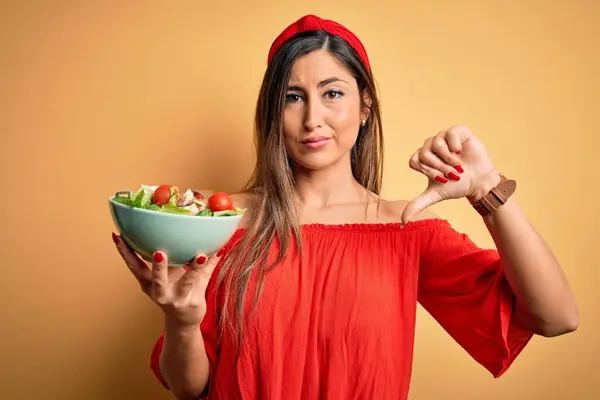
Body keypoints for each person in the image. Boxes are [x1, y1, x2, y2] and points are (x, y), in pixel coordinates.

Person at [112, 14, 578, 400]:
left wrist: (486, 188)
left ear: (365, 106)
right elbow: (189, 388)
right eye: (293, 98)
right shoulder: (221, 222)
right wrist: (181, 320)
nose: (312, 118)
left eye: (333, 93)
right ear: (273, 113)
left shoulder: (405, 229)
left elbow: (556, 318)